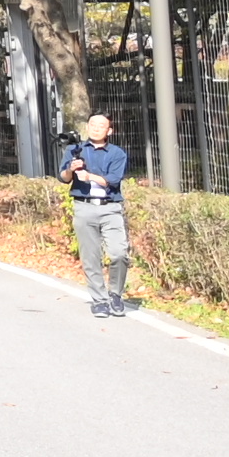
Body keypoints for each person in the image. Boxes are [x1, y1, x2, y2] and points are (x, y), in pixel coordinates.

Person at [58, 110, 134, 318]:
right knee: (91, 256)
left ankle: (116, 294)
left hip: (110, 207)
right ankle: (100, 300)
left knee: (119, 253)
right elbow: (63, 178)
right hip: (84, 207)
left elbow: (113, 180)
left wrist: (89, 175)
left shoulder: (117, 153)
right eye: (92, 124)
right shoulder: (75, 149)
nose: (96, 128)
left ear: (109, 130)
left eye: (101, 125)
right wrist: (71, 170)